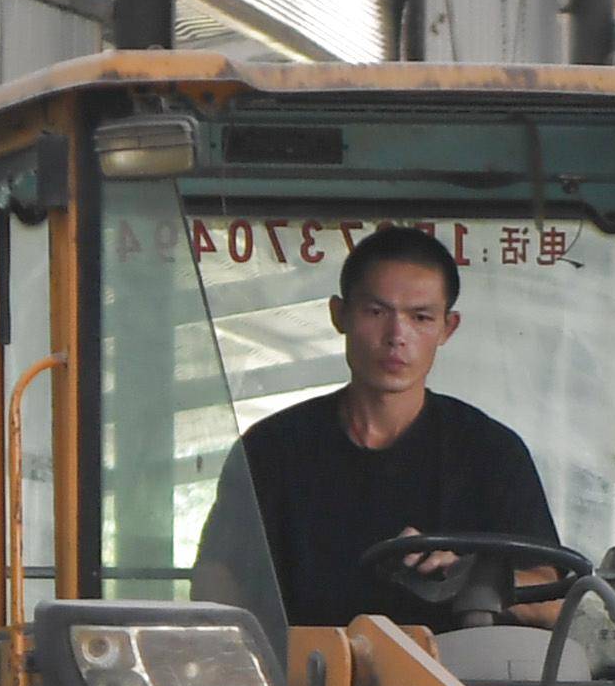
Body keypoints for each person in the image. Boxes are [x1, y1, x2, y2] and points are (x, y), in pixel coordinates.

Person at [231, 225, 560, 627]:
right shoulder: (271, 449)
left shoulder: (490, 452)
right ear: (339, 315)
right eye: (376, 312)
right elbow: (220, 585)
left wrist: (474, 579)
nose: (396, 337)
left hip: (460, 683)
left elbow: (552, 596)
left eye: (420, 317)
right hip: (306, 680)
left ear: (447, 328)